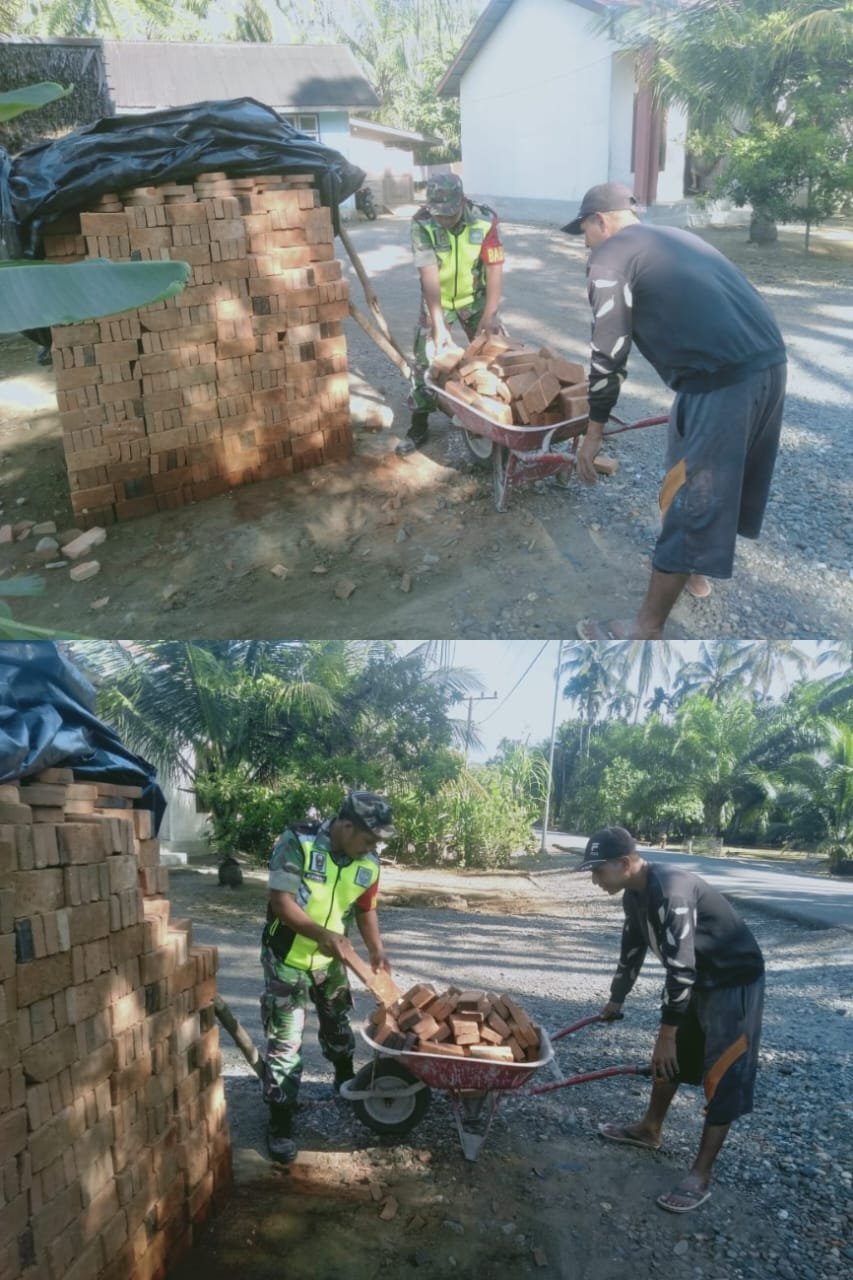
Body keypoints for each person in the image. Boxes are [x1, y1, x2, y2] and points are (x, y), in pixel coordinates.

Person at [562, 182, 787, 638]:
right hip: (762, 364)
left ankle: (645, 628)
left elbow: (609, 350)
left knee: (696, 499)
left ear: (599, 220)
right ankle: (695, 572)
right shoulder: (675, 237)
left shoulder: (609, 255)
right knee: (679, 473)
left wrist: (593, 429)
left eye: (583, 230)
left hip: (724, 381)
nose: (583, 241)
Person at [575, 825, 765, 1214]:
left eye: (598, 871)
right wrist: (616, 999)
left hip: (732, 982)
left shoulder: (672, 889)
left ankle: (701, 1174)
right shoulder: (634, 894)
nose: (594, 880)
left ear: (625, 862)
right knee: (670, 1058)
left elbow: (680, 970)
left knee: (722, 1074)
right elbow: (632, 949)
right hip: (697, 982)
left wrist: (666, 1033)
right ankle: (650, 1129)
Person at [260, 790, 395, 1162]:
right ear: (346, 826)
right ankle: (281, 1119)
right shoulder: (297, 843)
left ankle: (343, 1080)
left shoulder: (369, 863)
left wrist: (375, 949)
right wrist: (321, 936)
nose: (372, 848)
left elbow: (366, 910)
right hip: (286, 956)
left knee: (338, 1024)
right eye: (368, 839)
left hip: (333, 959)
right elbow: (281, 903)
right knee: (286, 1043)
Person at [397, 173, 506, 455]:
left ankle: (502, 416)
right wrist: (438, 324)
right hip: (439, 300)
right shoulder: (422, 222)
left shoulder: (485, 219)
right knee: (424, 359)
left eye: (449, 213)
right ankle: (419, 422)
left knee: (497, 354)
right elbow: (428, 274)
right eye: (439, 214)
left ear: (462, 202)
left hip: (476, 297)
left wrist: (490, 313)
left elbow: (494, 267)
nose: (443, 220)